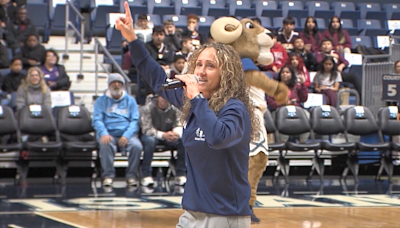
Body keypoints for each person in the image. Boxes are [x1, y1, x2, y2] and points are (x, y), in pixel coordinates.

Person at [115, 2, 258, 227]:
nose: (200, 71)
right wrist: (132, 37)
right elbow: (154, 76)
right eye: (198, 64)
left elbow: (218, 137)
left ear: (226, 74)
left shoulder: (235, 108)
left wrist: (196, 99)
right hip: (191, 214)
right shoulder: (193, 102)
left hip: (224, 217)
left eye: (210, 66)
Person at [91, 73, 143, 187]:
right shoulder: (101, 101)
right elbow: (97, 120)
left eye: (119, 83)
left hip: (127, 134)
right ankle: (108, 176)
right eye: (113, 82)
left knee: (136, 146)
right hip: (108, 134)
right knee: (105, 144)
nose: (116, 85)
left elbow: (135, 121)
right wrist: (103, 133)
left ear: (123, 85)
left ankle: (131, 176)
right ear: (109, 85)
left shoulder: (130, 100)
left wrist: (127, 135)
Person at [139, 95, 187, 186]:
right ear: (158, 97)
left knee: (183, 141)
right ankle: (146, 175)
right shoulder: (148, 108)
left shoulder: (175, 108)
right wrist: (163, 135)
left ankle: (181, 174)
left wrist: (175, 133)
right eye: (162, 96)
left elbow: (180, 123)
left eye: (166, 96)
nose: (164, 99)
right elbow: (146, 129)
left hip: (169, 135)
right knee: (149, 141)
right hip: (153, 135)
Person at [267, 66, 309, 142]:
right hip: (279, 111)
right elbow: (271, 104)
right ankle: (283, 142)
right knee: (283, 115)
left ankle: (302, 142)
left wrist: (303, 85)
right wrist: (284, 103)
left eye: (287, 72)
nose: (285, 74)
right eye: (283, 72)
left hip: (295, 110)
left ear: (292, 74)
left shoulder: (296, 86)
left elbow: (304, 99)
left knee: (307, 115)